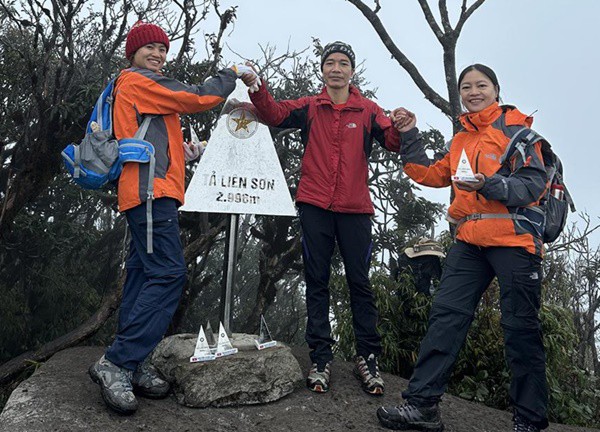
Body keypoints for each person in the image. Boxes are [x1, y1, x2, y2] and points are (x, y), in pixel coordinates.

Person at [88, 20, 258, 415]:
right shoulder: (137, 80)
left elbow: (151, 139)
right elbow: (196, 97)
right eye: (150, 48)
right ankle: (117, 361)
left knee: (146, 275)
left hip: (151, 193)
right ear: (133, 53)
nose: (159, 54)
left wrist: (188, 153)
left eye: (163, 49)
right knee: (168, 275)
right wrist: (230, 75)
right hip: (150, 196)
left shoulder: (140, 88)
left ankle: (133, 360)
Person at [377, 64, 549, 432]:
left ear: (496, 89)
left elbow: (533, 185)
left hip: (513, 240)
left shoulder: (518, 132)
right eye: (466, 87)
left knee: (520, 328)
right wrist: (409, 133)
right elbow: (430, 174)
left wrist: (490, 184)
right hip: (470, 241)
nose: (473, 92)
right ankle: (422, 407)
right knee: (445, 318)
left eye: (481, 85)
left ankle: (530, 420)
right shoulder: (461, 140)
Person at [248, 41, 404, 396]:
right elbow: (274, 114)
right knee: (316, 281)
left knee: (359, 284)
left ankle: (368, 357)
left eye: (343, 63)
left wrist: (400, 125)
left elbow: (391, 140)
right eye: (330, 63)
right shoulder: (310, 106)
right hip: (315, 205)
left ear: (352, 71)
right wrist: (257, 87)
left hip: (356, 210)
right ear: (322, 70)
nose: (336, 68)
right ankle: (320, 357)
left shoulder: (367, 110)